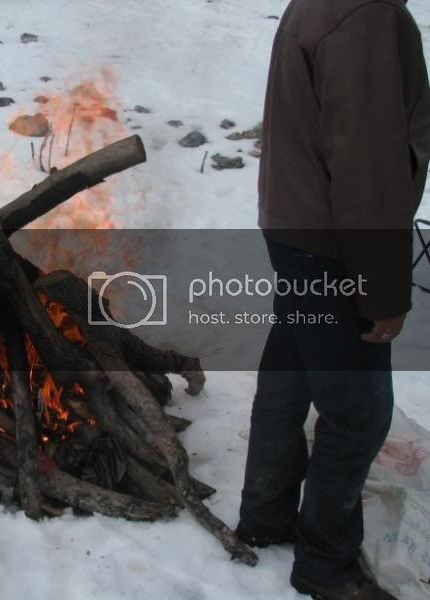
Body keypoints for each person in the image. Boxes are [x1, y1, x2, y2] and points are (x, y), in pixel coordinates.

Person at [237, 0, 430, 599]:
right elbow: (366, 165)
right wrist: (382, 289)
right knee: (358, 412)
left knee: (291, 374)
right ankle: (327, 566)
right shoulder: (365, 14)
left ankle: (265, 516)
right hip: (333, 241)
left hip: (297, 224)